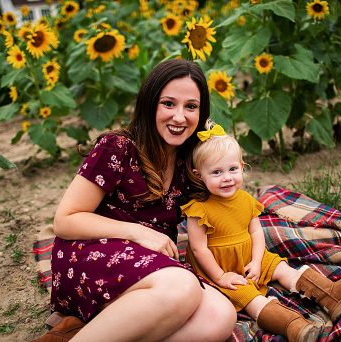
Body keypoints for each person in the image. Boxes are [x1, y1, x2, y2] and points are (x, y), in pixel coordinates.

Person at [37, 59, 236, 341]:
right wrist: (139, 232)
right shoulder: (118, 148)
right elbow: (65, 220)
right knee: (183, 286)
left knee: (220, 317)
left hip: (147, 264)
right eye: (169, 103)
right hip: (90, 254)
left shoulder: (188, 160)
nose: (180, 117)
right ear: (150, 103)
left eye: (190, 106)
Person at [182, 124, 341, 342]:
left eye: (232, 169)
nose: (227, 178)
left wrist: (258, 260)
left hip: (249, 255)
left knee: (282, 267)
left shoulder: (246, 200)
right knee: (249, 297)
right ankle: (294, 327)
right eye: (216, 172)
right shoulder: (199, 208)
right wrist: (220, 276)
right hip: (217, 266)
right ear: (199, 175)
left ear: (242, 167)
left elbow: (256, 232)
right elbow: (198, 248)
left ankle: (331, 295)